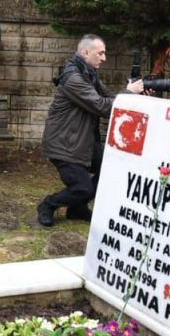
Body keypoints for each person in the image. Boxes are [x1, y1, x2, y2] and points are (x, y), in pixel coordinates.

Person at [37, 34, 144, 227]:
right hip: (65, 144)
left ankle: (77, 208)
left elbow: (110, 97)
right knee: (82, 188)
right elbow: (103, 107)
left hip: (84, 141)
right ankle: (49, 204)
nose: (104, 58)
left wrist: (135, 94)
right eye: (100, 53)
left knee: (112, 169)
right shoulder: (74, 78)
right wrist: (129, 93)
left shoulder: (89, 74)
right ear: (86, 53)